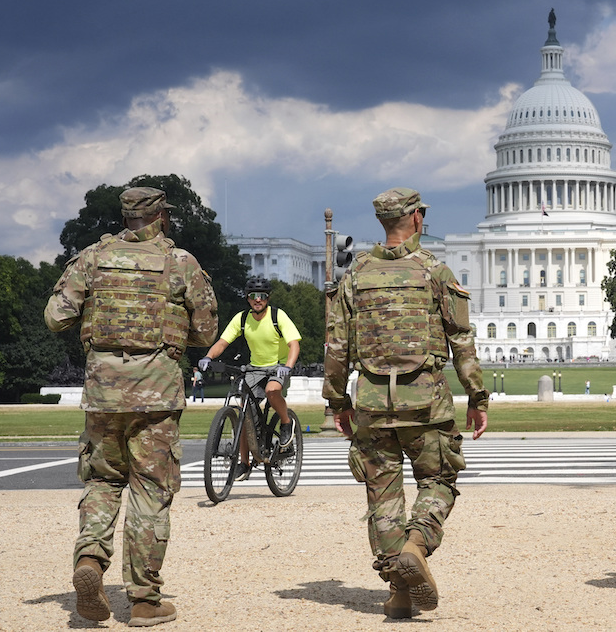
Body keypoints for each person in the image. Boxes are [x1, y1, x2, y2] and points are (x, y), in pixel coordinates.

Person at [45, 186, 218, 626]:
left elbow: (55, 317)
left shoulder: (91, 258)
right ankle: (143, 599)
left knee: (102, 481)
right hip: (157, 394)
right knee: (150, 491)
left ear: (125, 216)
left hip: (103, 392)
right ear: (161, 216)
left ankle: (89, 559)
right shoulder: (180, 263)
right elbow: (204, 331)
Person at [323, 187, 489, 619]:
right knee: (439, 481)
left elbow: (336, 345)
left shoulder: (355, 275)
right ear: (416, 218)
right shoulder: (434, 270)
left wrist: (338, 401)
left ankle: (398, 591)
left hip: (373, 401)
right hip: (425, 401)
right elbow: (461, 341)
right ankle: (417, 545)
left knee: (382, 497)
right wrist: (477, 396)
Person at [199, 277, 302, 480]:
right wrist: (208, 357)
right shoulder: (242, 318)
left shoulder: (277, 316)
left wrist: (287, 367)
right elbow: (223, 341)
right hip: (254, 369)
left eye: (262, 296)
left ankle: (286, 423)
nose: (258, 300)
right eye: (254, 296)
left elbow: (294, 344)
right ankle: (244, 464)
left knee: (273, 391)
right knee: (245, 414)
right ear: (247, 298)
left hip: (278, 367)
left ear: (268, 298)